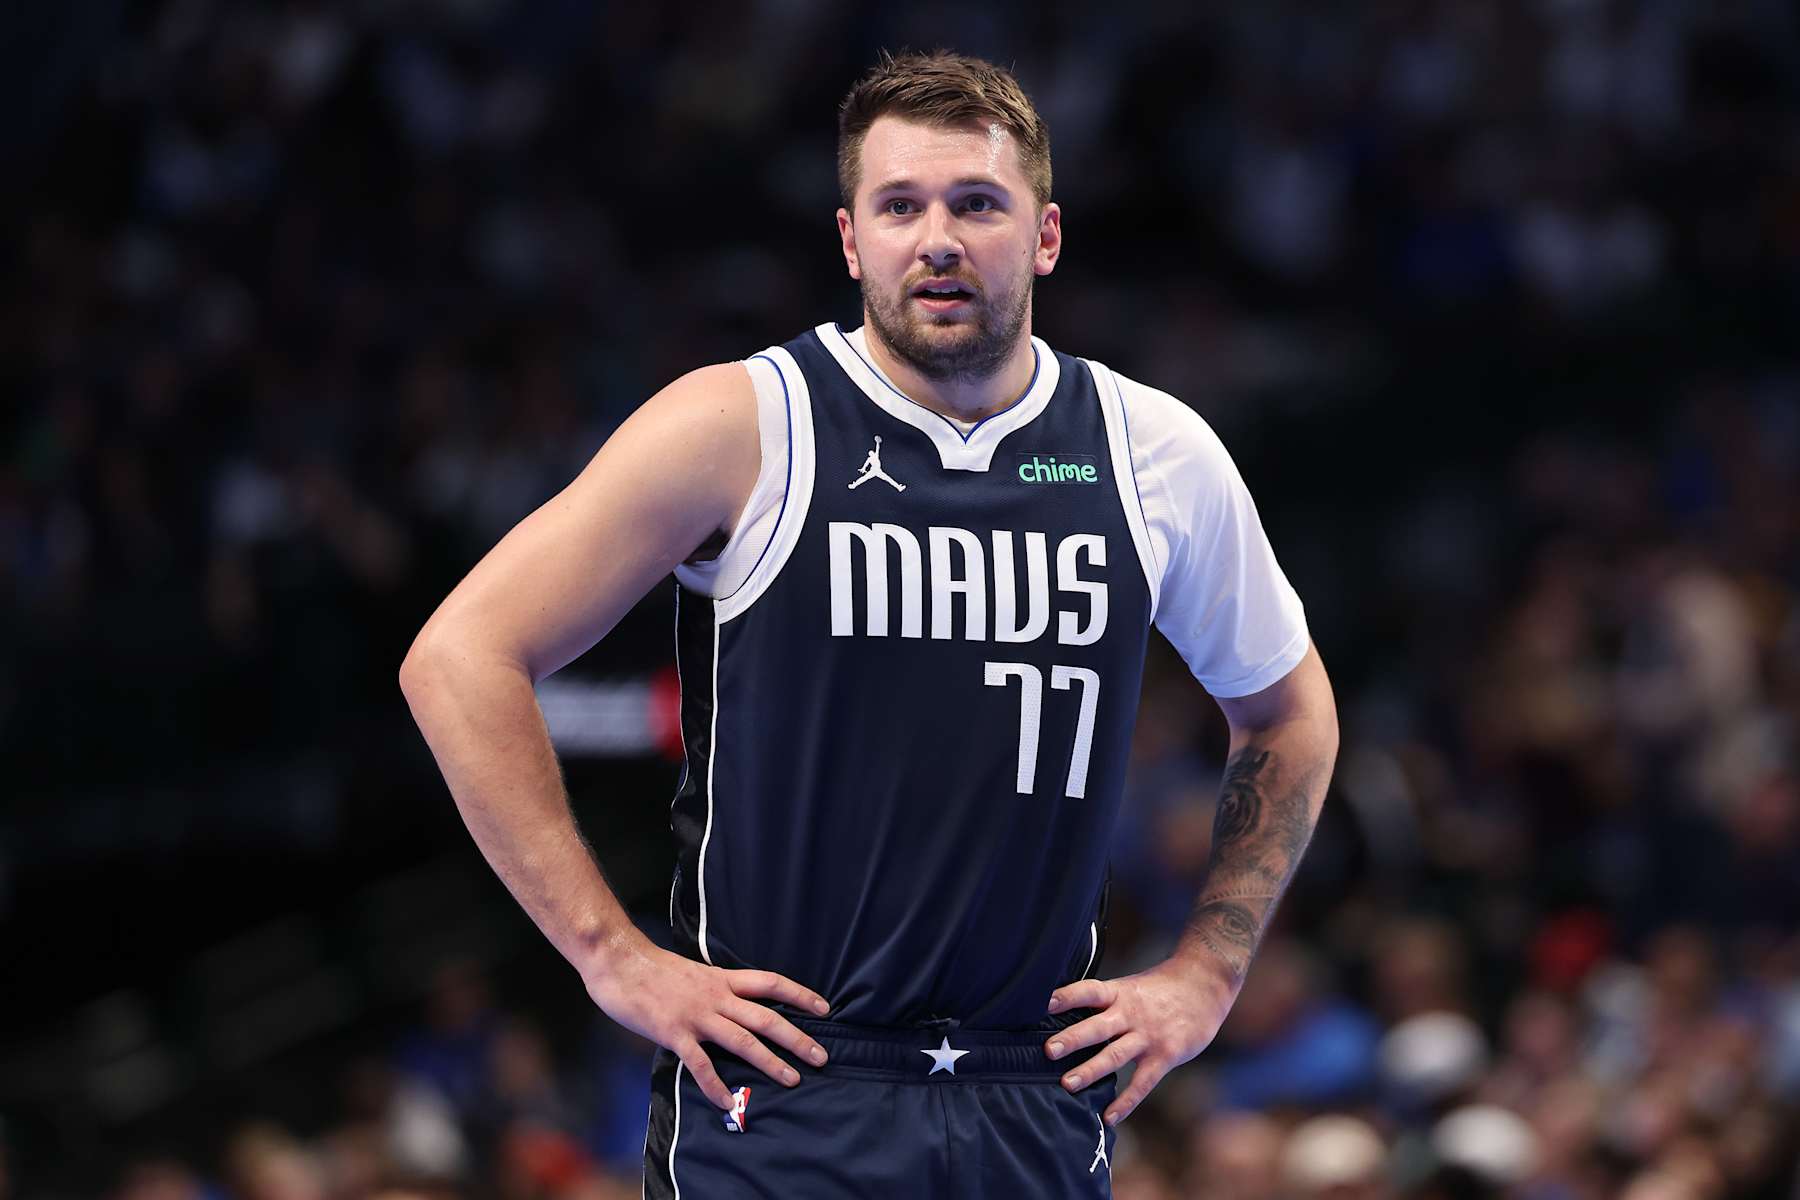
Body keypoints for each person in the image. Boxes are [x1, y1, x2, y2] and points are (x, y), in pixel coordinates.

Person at [399, 50, 1338, 1198]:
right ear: (852, 242)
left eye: (977, 204)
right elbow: (457, 658)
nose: (936, 238)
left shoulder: (1157, 454)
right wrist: (613, 958)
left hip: (1029, 1094)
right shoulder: (745, 424)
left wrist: (1208, 972)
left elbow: (1290, 711)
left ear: (1044, 237)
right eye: (900, 206)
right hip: (783, 1086)